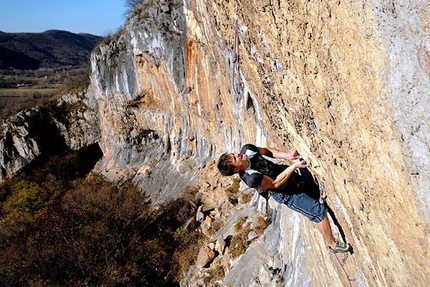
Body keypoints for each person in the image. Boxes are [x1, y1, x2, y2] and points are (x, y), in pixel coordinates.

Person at [217, 143, 350, 254]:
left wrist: (288, 156)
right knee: (319, 212)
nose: (237, 154)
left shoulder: (248, 150)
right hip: (286, 193)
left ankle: (326, 233)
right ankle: (333, 245)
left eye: (233, 154)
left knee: (315, 205)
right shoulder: (251, 178)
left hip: (287, 174)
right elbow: (275, 184)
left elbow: (268, 151)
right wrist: (293, 166)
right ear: (236, 170)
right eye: (235, 158)